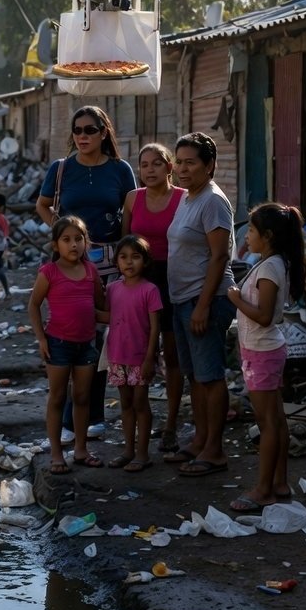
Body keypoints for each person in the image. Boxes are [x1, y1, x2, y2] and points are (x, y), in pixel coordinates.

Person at [36, 105, 136, 439]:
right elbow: (43, 203)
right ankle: (68, 419)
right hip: (70, 263)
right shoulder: (61, 168)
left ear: (104, 132)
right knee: (73, 332)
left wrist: (126, 254)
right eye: (77, 130)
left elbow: (129, 212)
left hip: (110, 260)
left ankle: (92, 416)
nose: (82, 136)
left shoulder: (121, 170)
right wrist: (63, 236)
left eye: (89, 130)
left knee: (104, 338)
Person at [226, 203, 306, 511]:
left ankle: (263, 490)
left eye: (252, 230)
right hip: (262, 351)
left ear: (269, 235)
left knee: (268, 422)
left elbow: (263, 316)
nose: (247, 236)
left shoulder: (271, 268)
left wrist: (234, 297)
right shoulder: (269, 263)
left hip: (263, 351)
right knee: (276, 419)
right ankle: (280, 483)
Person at [164, 132, 236, 477]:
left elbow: (220, 255)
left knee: (210, 376)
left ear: (209, 166)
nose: (182, 168)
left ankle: (215, 451)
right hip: (183, 299)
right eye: (179, 161)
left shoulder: (213, 201)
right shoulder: (189, 197)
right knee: (195, 376)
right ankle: (200, 439)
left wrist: (204, 305)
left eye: (190, 162)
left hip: (204, 299)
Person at [28, 215, 106, 474]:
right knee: (58, 397)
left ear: (86, 242)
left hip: (87, 343)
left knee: (83, 397)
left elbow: (98, 306)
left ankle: (81, 449)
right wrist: (41, 338)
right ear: (55, 245)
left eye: (78, 239)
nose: (74, 245)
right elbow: (34, 305)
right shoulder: (49, 272)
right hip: (58, 344)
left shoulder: (91, 271)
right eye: (66, 240)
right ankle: (57, 454)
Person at [121, 143, 185, 453]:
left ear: (170, 167)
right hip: (140, 281)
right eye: (143, 164)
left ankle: (171, 424)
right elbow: (126, 244)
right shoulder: (133, 198)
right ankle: (137, 429)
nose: (149, 169)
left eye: (156, 164)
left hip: (173, 279)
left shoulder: (183, 199)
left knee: (171, 355)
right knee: (138, 355)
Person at [104, 235, 162, 472]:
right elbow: (108, 316)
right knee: (125, 403)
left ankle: (142, 453)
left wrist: (150, 357)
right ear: (116, 261)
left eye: (135, 257)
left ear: (145, 261)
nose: (129, 262)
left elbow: (155, 327)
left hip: (141, 358)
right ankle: (128, 450)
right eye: (124, 257)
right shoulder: (112, 289)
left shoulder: (150, 290)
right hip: (118, 356)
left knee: (140, 403)